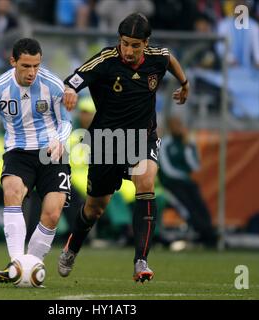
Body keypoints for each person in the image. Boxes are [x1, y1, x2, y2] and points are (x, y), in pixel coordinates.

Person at [60, 13, 189, 282]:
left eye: (134, 45)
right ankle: (73, 247)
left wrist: (184, 83)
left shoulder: (157, 56)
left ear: (146, 43)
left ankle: (141, 261)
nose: (128, 50)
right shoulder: (106, 60)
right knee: (95, 208)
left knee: (146, 181)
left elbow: (170, 60)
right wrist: (71, 91)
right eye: (124, 43)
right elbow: (72, 80)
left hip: (143, 139)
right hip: (107, 143)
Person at [0, 38, 72, 283]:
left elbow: (66, 121)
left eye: (36, 66)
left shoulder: (53, 85)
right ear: (13, 61)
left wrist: (59, 139)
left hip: (52, 152)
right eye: (26, 66)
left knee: (52, 213)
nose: (32, 72)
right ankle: (16, 264)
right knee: (12, 189)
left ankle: (31, 265)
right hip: (18, 152)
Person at [158, 115, 217, 247]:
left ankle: (208, 231)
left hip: (185, 182)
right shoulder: (165, 143)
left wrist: (188, 148)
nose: (179, 128)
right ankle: (201, 231)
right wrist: (183, 176)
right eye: (175, 125)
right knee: (187, 205)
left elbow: (195, 166)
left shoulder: (187, 143)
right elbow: (166, 168)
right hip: (170, 183)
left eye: (180, 125)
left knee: (199, 203)